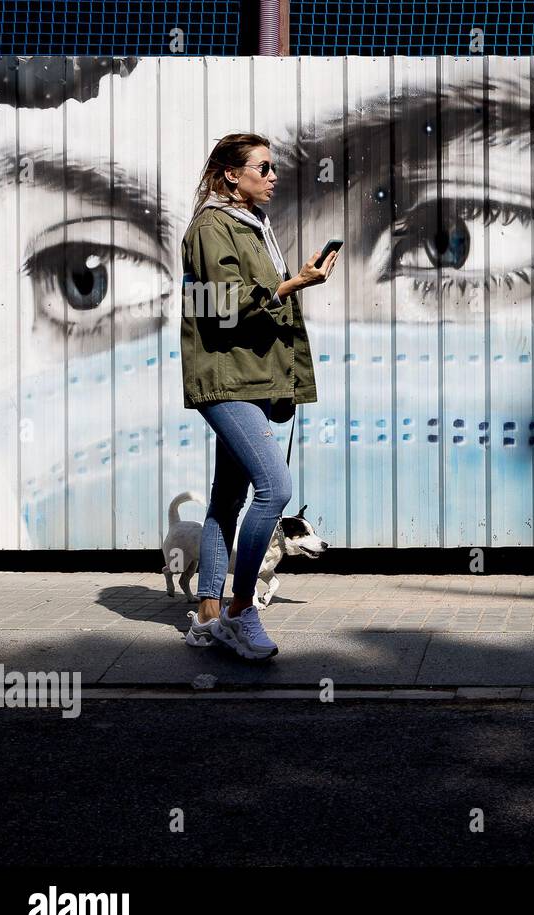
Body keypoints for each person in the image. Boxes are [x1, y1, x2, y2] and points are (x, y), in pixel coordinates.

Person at [180, 132, 337, 659]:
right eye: (263, 168)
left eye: (272, 169)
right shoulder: (212, 226)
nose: (272, 177)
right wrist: (293, 285)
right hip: (226, 378)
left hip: (251, 376)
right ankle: (242, 610)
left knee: (228, 495)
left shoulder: (252, 226)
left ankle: (209, 613)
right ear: (231, 174)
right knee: (275, 487)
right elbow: (224, 304)